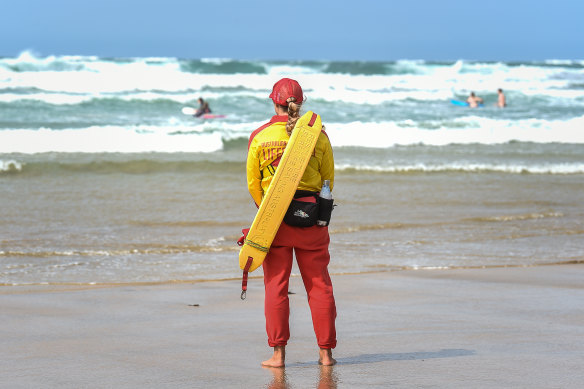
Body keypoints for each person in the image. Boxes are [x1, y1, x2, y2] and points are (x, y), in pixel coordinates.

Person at [246, 78, 337, 367]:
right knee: (319, 285)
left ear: (274, 101)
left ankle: (278, 355)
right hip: (311, 219)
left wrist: (269, 213)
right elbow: (328, 180)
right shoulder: (319, 136)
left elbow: (253, 184)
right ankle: (326, 355)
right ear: (301, 103)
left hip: (275, 222)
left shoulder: (260, 136)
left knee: (276, 286)